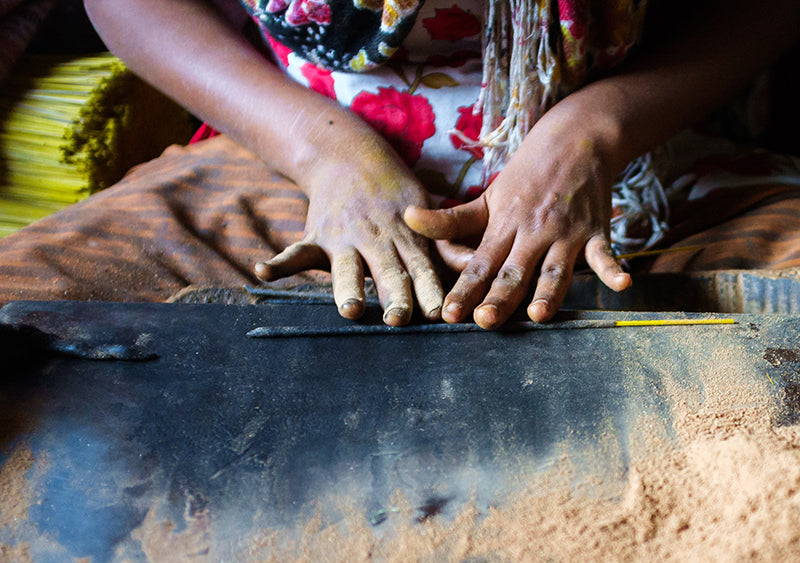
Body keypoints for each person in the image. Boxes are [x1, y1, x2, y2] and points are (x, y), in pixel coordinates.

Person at [2, 0, 800, 325]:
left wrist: (593, 132)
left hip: (643, 162)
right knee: (35, 310)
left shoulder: (612, 140)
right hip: (292, 151)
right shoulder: (311, 152)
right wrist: (325, 156)